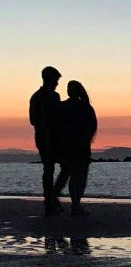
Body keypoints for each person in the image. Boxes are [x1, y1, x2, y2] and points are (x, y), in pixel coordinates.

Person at [57, 81, 98, 216]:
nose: (69, 90)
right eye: (68, 88)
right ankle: (75, 204)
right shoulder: (67, 106)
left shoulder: (83, 106)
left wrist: (86, 138)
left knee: (77, 176)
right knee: (77, 176)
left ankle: (75, 204)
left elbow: (92, 126)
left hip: (78, 146)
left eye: (71, 88)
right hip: (71, 147)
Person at [28, 66, 64, 214]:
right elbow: (33, 120)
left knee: (65, 166)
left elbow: (61, 117)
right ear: (49, 79)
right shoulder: (37, 97)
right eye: (56, 80)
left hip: (57, 137)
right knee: (49, 169)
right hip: (44, 137)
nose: (57, 83)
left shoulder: (55, 96)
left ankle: (52, 197)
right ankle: (49, 201)